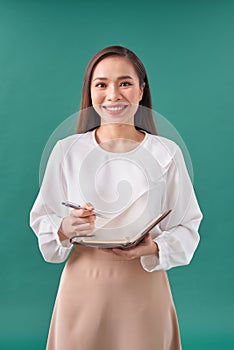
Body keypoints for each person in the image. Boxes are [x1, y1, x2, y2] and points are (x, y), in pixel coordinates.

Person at [30, 45, 203, 350]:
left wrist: (153, 247)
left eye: (124, 83)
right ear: (90, 91)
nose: (113, 95)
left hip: (144, 288)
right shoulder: (67, 150)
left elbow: (188, 226)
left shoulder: (165, 153)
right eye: (101, 84)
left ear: (141, 90)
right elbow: (44, 218)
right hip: (82, 287)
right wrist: (67, 228)